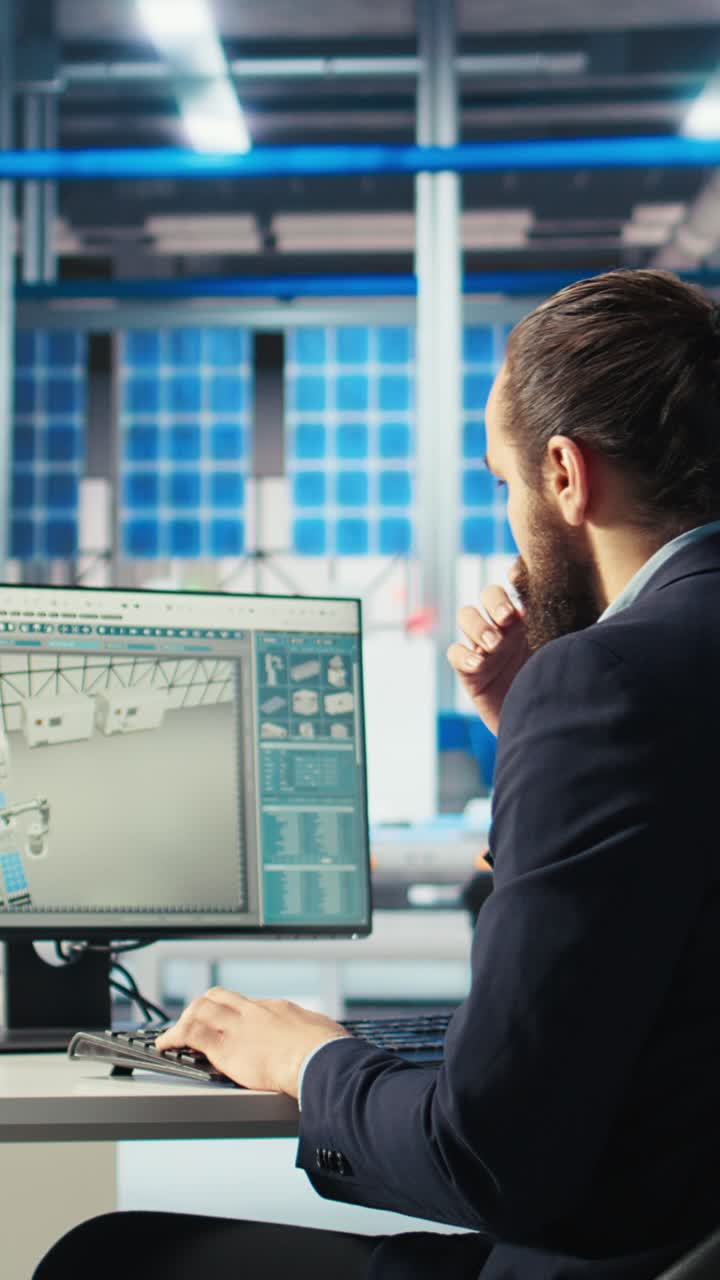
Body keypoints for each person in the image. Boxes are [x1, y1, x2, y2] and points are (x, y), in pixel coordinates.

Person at [34, 269, 720, 1279]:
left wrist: (304, 1056)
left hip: (605, 1259)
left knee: (106, 1258)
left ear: (565, 474)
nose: (508, 516)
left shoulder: (605, 682)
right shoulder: (637, 680)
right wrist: (527, 734)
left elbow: (482, 1155)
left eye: (503, 483)